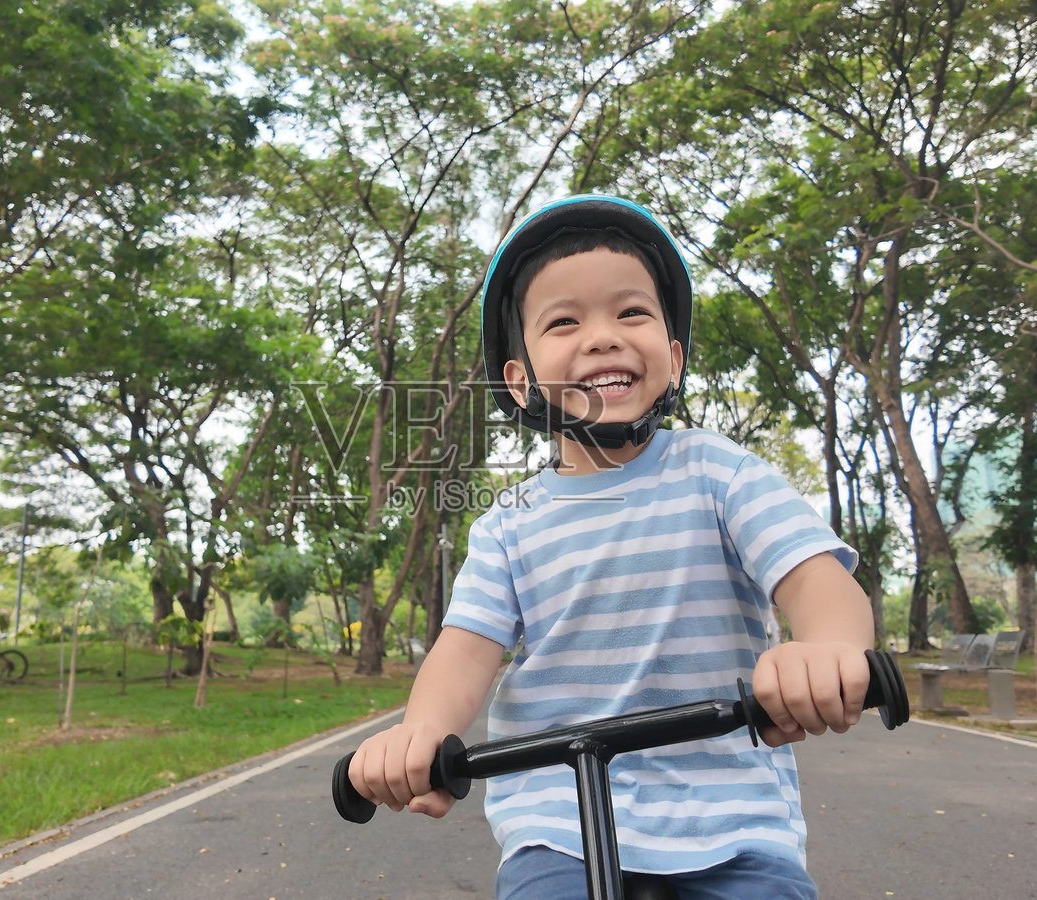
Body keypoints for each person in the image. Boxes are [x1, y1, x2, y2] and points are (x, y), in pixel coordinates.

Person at [349, 195, 877, 898]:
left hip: (733, 817)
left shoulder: (719, 473)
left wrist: (828, 648)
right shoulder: (510, 524)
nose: (602, 337)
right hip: (558, 821)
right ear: (520, 380)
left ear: (675, 356)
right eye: (564, 322)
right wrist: (421, 733)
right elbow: (465, 649)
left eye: (632, 313)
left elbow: (813, 578)